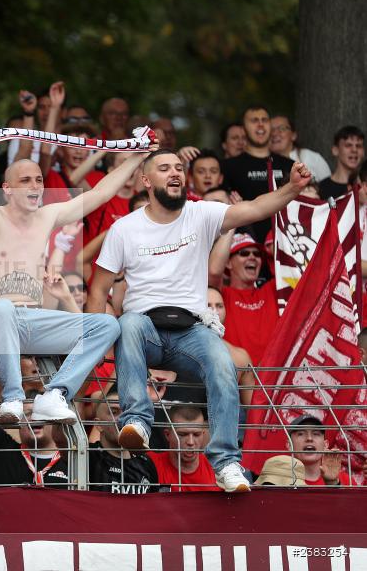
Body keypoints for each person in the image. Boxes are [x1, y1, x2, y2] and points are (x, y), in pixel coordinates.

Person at [88, 147, 313, 493]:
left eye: (179, 167)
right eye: (164, 168)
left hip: (190, 331)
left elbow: (253, 208)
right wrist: (91, 347)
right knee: (128, 323)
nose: (175, 172)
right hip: (144, 327)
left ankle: (226, 463)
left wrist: (291, 189)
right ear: (146, 180)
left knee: (223, 362)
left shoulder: (200, 213)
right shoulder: (125, 229)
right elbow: (99, 288)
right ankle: (136, 422)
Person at [0, 128, 151, 425]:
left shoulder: (48, 215)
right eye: (26, 180)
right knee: (3, 309)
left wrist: (137, 157)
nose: (36, 186)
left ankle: (55, 394)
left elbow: (100, 194)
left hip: (35, 322)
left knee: (107, 324)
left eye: (40, 180)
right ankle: (13, 397)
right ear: (6, 189)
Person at [222, 106, 294, 241]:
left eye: (264, 120)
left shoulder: (290, 165)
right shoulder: (228, 167)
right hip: (246, 249)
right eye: (254, 120)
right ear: (243, 129)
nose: (260, 124)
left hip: (285, 244)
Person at [0, 391, 73, 487]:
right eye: (28, 414)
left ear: (53, 419)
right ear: (18, 422)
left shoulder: (72, 458)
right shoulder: (1, 448)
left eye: (40, 413)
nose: (34, 418)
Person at [212, 233, 278, 365]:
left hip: (275, 380)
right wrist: (231, 224)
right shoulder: (220, 295)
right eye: (244, 253)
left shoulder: (272, 291)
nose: (252, 257)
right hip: (239, 380)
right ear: (228, 263)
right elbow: (214, 271)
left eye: (257, 254)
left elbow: (293, 267)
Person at [88, 390, 158, 494]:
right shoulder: (88, 455)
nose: (122, 419)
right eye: (114, 412)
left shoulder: (146, 463)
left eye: (127, 412)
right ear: (98, 424)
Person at [147, 406, 221, 492]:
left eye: (196, 434)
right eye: (182, 434)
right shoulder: (150, 463)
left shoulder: (217, 467)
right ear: (167, 435)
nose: (190, 442)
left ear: (203, 434)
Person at [288, 415, 354, 486]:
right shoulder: (278, 480)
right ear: (289, 445)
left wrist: (333, 483)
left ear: (325, 445)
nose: (309, 438)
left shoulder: (346, 480)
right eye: (301, 434)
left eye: (316, 434)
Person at [268, 115, 331, 183]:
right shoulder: (261, 162)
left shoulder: (313, 158)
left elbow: (328, 187)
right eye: (271, 129)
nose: (274, 133)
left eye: (282, 128)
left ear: (294, 135)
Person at [318, 126, 365, 200]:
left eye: (358, 146)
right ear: (335, 150)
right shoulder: (320, 189)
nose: (354, 150)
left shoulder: (365, 188)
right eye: (348, 145)